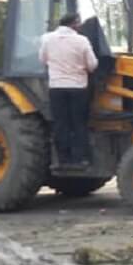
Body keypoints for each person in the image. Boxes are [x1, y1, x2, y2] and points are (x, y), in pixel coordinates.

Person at [39, 12, 98, 167]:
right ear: (75, 24)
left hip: (56, 87)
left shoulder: (47, 39)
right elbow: (92, 65)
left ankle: (63, 159)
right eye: (79, 23)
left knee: (61, 124)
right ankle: (80, 159)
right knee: (78, 123)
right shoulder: (82, 41)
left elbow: (42, 59)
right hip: (78, 87)